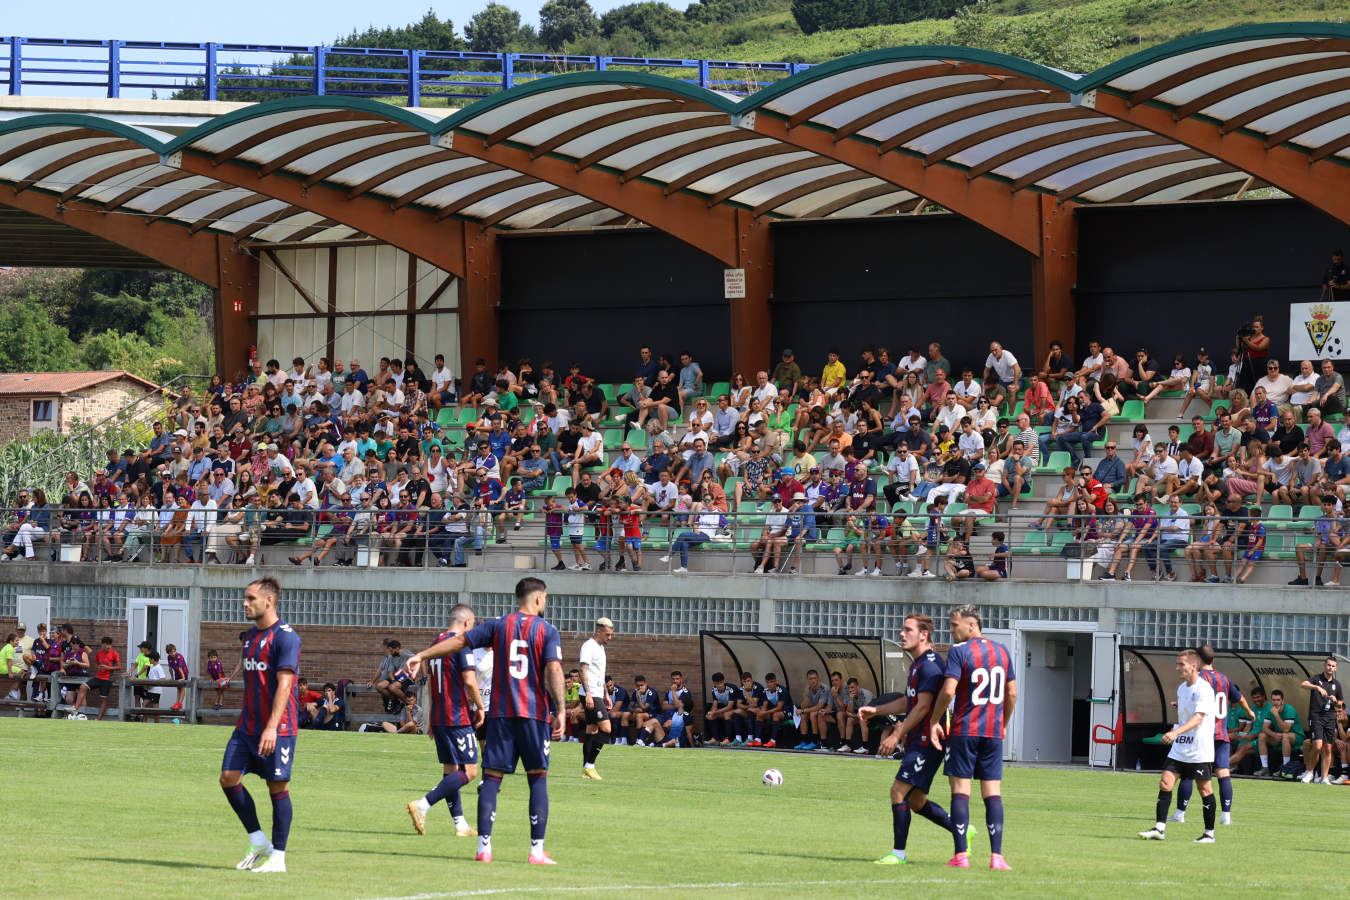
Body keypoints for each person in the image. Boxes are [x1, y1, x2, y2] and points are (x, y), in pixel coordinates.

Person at [405, 577, 565, 866]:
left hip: (501, 716)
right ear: (539, 599)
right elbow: (553, 669)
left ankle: (483, 848)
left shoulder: (498, 625)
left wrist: (421, 654)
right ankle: (536, 851)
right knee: (538, 778)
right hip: (533, 716)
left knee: (491, 778)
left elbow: (458, 642)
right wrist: (562, 709)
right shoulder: (547, 630)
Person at [219, 577, 302, 874]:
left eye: (251, 598)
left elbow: (285, 685)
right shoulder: (250, 638)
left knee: (277, 787)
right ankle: (258, 839)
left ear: (269, 600)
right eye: (245, 597)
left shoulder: (286, 637)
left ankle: (278, 857)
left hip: (277, 729)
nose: (245, 603)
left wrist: (271, 727)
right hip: (246, 727)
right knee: (228, 777)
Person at [860, 614, 954, 865]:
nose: (901, 634)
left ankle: (898, 854)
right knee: (916, 800)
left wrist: (896, 735)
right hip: (919, 740)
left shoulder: (930, 665)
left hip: (927, 741)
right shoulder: (917, 664)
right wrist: (877, 710)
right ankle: (961, 829)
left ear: (923, 634)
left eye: (907, 629)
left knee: (898, 792)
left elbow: (923, 707)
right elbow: (908, 701)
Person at [929, 604, 1016, 871]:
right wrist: (1003, 723)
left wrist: (934, 719)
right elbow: (1012, 694)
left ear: (971, 624)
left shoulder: (960, 652)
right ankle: (997, 857)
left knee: (960, 791)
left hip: (964, 730)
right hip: (992, 733)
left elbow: (948, 691)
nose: (951, 630)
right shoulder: (1002, 651)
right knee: (993, 793)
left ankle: (961, 856)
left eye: (954, 625)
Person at [406, 603, 485, 839]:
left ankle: (460, 825)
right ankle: (422, 805)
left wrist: (431, 718)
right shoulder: (461, 644)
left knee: (451, 771)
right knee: (470, 771)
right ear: (468, 623)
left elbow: (432, 683)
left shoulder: (435, 645)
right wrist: (481, 707)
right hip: (457, 717)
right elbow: (470, 681)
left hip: (440, 717)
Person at [1138, 649, 1218, 844]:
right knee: (1166, 782)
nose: (1177, 668)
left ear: (1194, 666)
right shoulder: (1182, 688)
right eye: (1177, 664)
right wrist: (1179, 707)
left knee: (1204, 789)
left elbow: (1199, 718)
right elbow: (1189, 712)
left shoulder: (1204, 689)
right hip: (1181, 747)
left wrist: (1175, 733)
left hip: (1199, 749)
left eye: (1181, 664)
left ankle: (1209, 834)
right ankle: (1159, 829)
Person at [1170, 646, 1254, 828]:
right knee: (1223, 773)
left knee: (1187, 774)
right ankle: (1226, 815)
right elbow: (1238, 698)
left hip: (1202, 734)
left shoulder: (1199, 678)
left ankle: (1180, 813)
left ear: (1197, 660)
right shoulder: (1224, 678)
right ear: (1213, 659)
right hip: (1221, 734)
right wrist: (1249, 711)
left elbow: (1198, 702)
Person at [579, 617, 615, 780]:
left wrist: (606, 694)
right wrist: (588, 694)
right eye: (607, 634)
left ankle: (586, 769)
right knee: (606, 729)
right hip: (590, 693)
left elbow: (599, 674)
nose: (609, 638)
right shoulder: (589, 646)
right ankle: (590, 766)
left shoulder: (601, 648)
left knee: (592, 729)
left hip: (597, 693)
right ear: (599, 631)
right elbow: (582, 670)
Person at [1299, 656, 1344, 785]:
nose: (1330, 668)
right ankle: (1310, 772)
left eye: (1333, 666)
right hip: (1316, 717)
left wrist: (1337, 702)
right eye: (1328, 665)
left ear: (1336, 668)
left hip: (1330, 718)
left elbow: (1340, 702)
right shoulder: (1316, 679)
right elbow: (1303, 684)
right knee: (1317, 745)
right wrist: (1317, 688)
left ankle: (1324, 778)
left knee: (1328, 748)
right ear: (1325, 665)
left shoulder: (1337, 684)